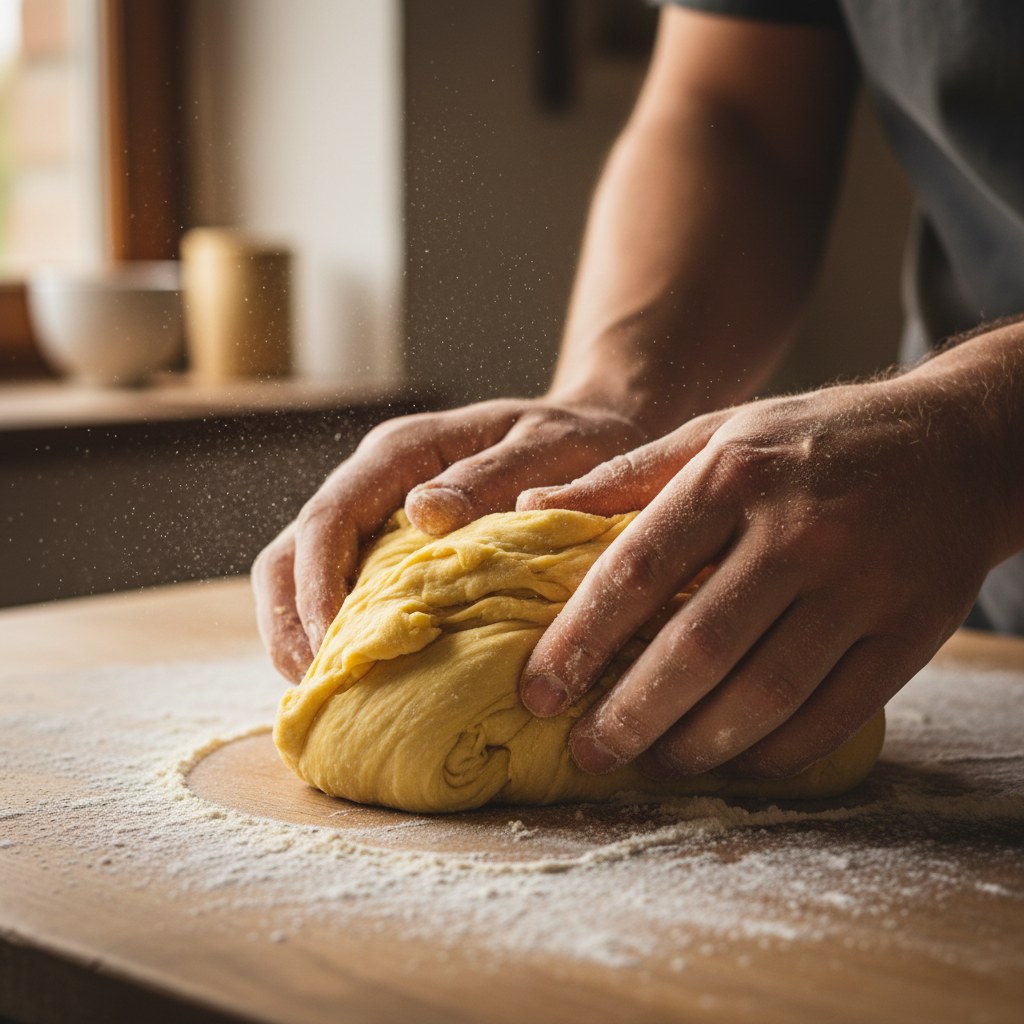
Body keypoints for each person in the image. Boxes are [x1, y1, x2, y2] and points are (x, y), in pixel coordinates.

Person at [253, 1, 1024, 783]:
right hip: (948, 611)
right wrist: (612, 399)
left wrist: (985, 436)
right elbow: (735, 112)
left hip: (941, 482)